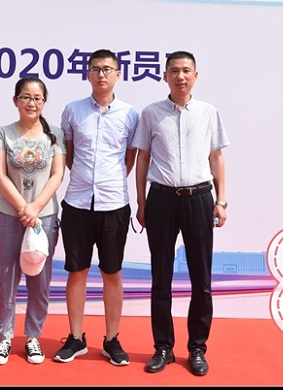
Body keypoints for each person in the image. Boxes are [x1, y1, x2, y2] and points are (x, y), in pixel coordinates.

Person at [132, 50, 229, 377]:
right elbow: (143, 158)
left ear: (195, 76)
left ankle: (197, 348)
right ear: (165, 76)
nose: (180, 76)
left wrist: (222, 200)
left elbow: (216, 158)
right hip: (161, 199)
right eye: (174, 70)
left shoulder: (208, 112)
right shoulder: (151, 113)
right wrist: (142, 202)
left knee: (202, 280)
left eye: (186, 70)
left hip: (199, 198)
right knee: (161, 278)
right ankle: (163, 347)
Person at [54, 49, 139, 366]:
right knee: (76, 271)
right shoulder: (73, 111)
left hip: (114, 204)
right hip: (77, 202)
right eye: (95, 69)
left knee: (111, 272)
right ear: (87, 74)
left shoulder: (130, 114)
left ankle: (112, 339)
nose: (101, 74)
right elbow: (69, 154)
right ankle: (76, 338)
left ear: (118, 74)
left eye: (107, 69)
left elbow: (129, 158)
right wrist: (86, 179)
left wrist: (108, 181)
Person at [0, 77, 66, 366]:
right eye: (25, 97)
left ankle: (33, 336)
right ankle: (4, 338)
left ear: (44, 102)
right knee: (5, 278)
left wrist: (35, 207)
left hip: (44, 216)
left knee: (40, 280)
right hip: (8, 214)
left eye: (37, 98)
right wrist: (24, 208)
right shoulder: (3, 133)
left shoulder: (55, 135)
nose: (31, 103)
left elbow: (57, 175)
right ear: (16, 101)